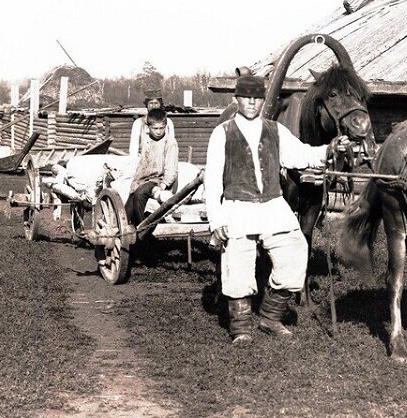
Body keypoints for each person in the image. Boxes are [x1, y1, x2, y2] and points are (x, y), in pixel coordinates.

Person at [204, 74, 347, 344]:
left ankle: (270, 317)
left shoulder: (274, 130)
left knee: (295, 250)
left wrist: (330, 149)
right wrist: (217, 219)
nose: (251, 103)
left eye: (256, 98)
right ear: (236, 99)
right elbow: (212, 180)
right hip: (238, 207)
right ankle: (241, 328)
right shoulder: (222, 133)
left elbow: (302, 154)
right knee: (238, 264)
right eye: (246, 98)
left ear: (262, 101)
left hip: (271, 206)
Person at [125, 108, 178, 226]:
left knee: (140, 195)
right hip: (142, 180)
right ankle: (125, 233)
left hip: (158, 181)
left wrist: (164, 185)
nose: (158, 132)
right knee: (128, 207)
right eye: (155, 128)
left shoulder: (170, 142)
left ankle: (142, 231)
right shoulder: (146, 139)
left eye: (161, 128)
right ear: (148, 127)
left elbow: (171, 168)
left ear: (165, 126)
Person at [129, 89, 175, 155]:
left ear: (160, 105)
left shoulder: (168, 122)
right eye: (151, 103)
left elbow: (171, 145)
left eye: (156, 103)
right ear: (146, 105)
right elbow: (134, 146)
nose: (153, 106)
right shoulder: (138, 123)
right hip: (144, 159)